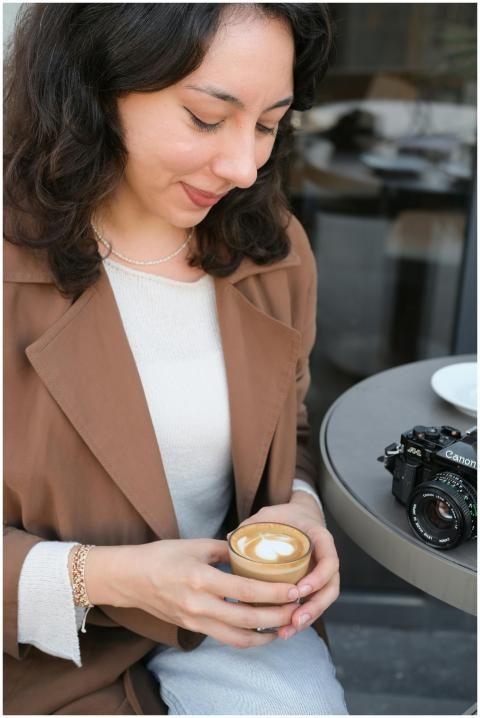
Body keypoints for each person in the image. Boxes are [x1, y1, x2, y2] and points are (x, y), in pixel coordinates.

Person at [4, 3, 348, 715]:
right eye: (204, 116)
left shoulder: (272, 251)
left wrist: (301, 513)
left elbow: (295, 433)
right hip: (43, 654)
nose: (244, 167)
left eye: (267, 123)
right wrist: (107, 578)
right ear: (94, 88)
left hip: (236, 627)